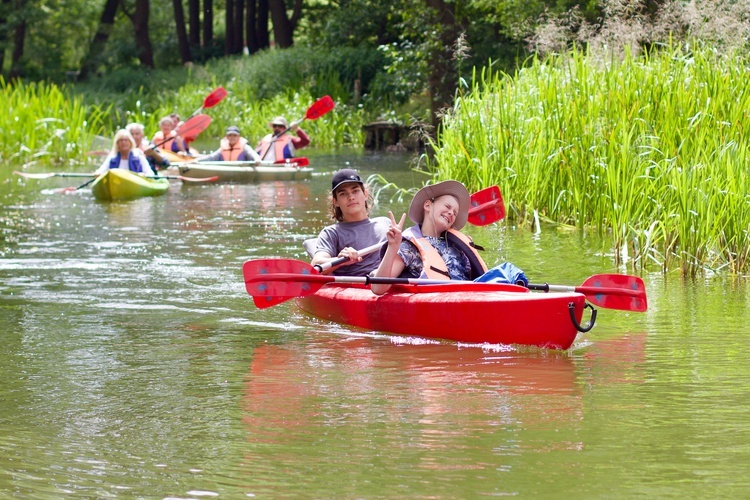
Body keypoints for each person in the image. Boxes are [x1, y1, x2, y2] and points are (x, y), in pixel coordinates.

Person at [372, 180, 488, 295]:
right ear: (428, 205)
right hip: (436, 304)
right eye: (447, 206)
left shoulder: (459, 248)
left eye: (455, 213)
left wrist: (469, 249)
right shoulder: (408, 247)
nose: (451, 213)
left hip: (466, 300)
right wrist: (392, 247)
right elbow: (378, 288)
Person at [311, 169, 390, 276]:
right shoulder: (331, 233)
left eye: (355, 191)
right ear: (335, 201)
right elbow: (316, 265)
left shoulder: (386, 223)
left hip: (392, 280)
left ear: (365, 194)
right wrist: (341, 261)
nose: (351, 197)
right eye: (343, 194)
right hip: (360, 286)